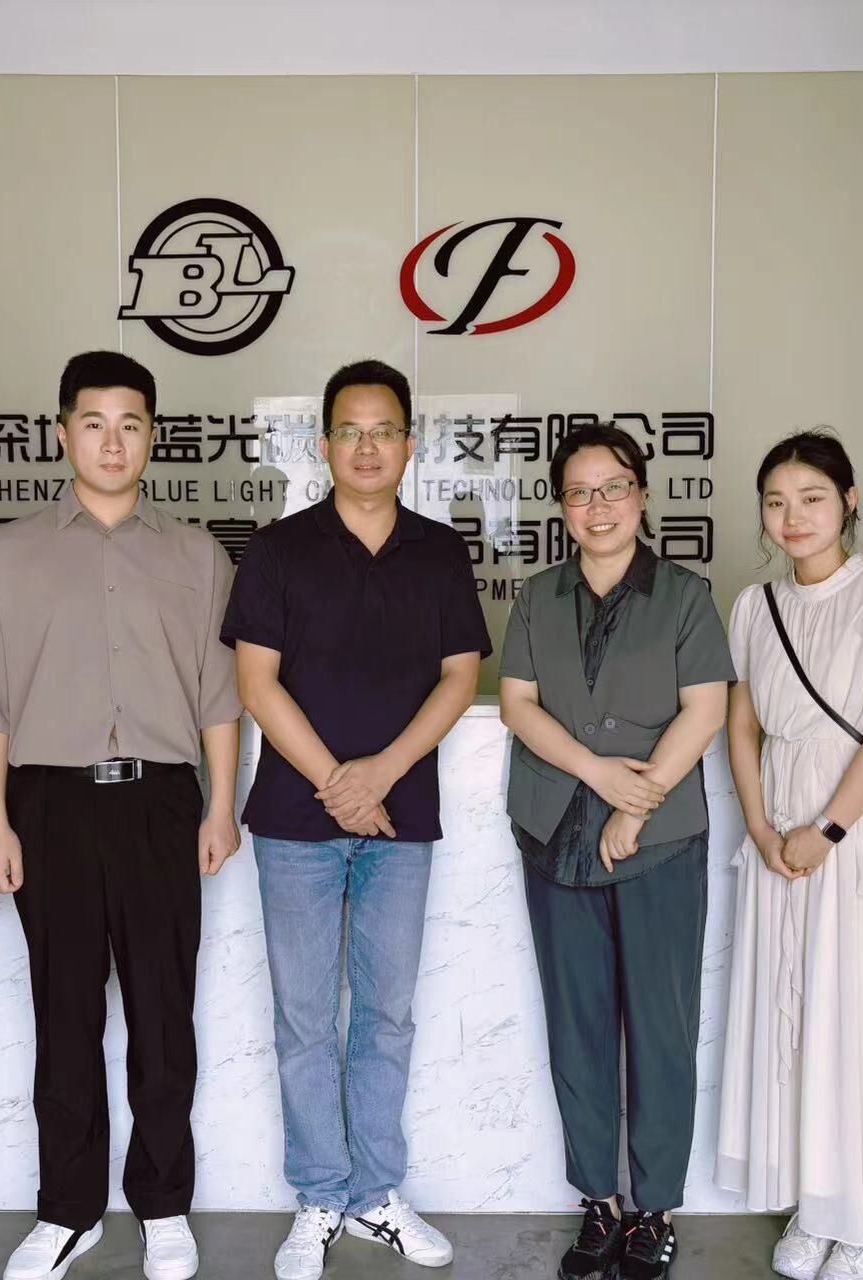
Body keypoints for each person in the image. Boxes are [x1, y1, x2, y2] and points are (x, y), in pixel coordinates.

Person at [0, 351, 242, 1280]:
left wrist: (220, 807)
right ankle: (67, 1210)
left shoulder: (197, 555)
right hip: (51, 803)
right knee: (64, 1014)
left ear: (152, 435)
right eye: (92, 423)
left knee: (163, 1014)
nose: (111, 442)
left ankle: (163, 1204)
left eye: (129, 425)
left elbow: (220, 698)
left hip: (161, 801)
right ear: (62, 433)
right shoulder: (8, 557)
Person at [222, 359, 490, 1280]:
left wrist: (381, 773)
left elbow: (459, 676)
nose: (367, 447)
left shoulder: (438, 551)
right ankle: (319, 1196)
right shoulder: (278, 550)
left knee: (385, 1014)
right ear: (323, 444)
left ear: (409, 445)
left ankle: (375, 1192)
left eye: (383, 431)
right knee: (304, 1019)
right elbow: (255, 682)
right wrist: (339, 782)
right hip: (294, 823)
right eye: (349, 431)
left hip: (401, 819)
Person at [715, 431, 863, 1280]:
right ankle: (816, 1205)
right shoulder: (754, 606)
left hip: (857, 836)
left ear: (848, 501)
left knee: (861, 1020)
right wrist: (760, 827)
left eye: (811, 498)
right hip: (779, 835)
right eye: (775, 502)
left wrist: (825, 831)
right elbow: (742, 726)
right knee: (797, 1016)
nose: (793, 517)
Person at [497, 423, 731, 1280]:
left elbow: (704, 709)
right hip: (554, 831)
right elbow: (518, 704)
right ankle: (597, 1201)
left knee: (661, 1030)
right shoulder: (537, 597)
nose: (598, 506)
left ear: (641, 494)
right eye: (579, 492)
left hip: (658, 841)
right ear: (562, 506)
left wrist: (637, 803)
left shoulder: (684, 595)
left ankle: (653, 1209)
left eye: (613, 487)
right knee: (579, 1027)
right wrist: (595, 772)